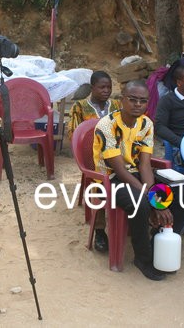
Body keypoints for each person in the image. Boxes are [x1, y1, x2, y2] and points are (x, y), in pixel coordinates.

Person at [93, 80, 184, 281]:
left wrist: (155, 196)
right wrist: (152, 200)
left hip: (138, 176)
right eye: (132, 99)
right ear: (122, 100)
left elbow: (145, 165)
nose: (137, 104)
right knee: (141, 204)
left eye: (143, 101)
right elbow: (120, 170)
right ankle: (143, 258)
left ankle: (159, 243)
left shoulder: (146, 123)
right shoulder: (107, 125)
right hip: (111, 178)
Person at [68, 70, 121, 252]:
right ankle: (99, 230)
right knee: (100, 184)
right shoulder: (80, 107)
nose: (106, 91)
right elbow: (74, 134)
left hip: (117, 155)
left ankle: (129, 220)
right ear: (92, 88)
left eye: (109, 87)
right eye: (102, 87)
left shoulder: (116, 105)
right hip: (91, 157)